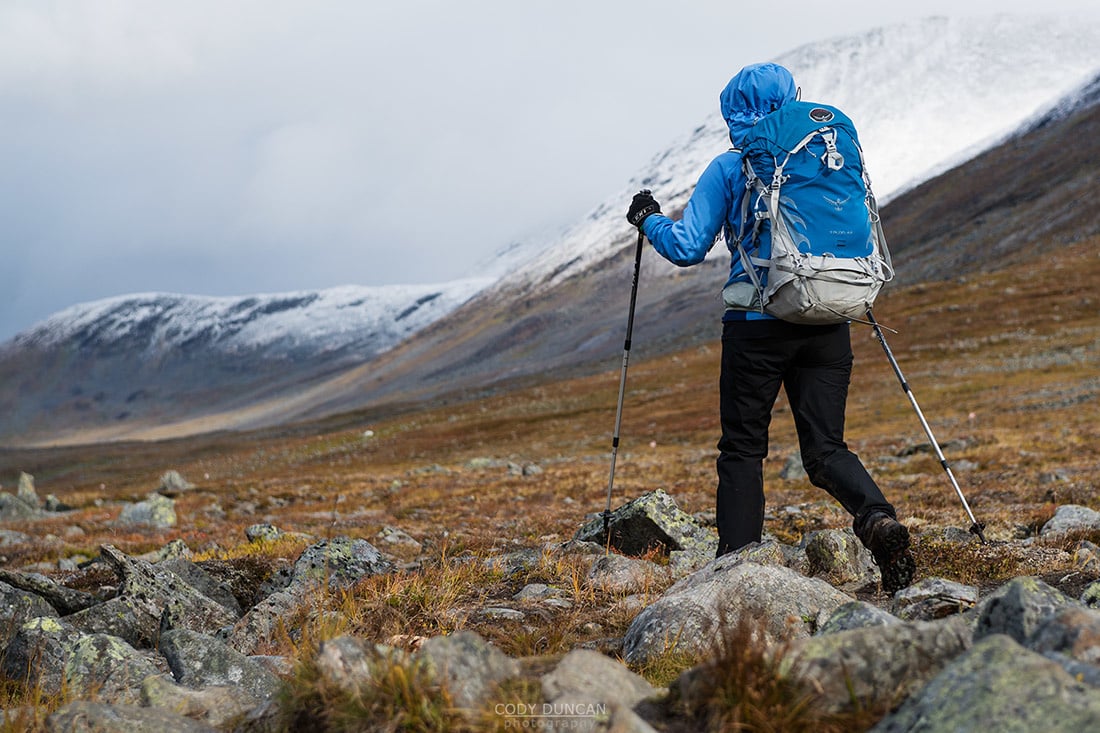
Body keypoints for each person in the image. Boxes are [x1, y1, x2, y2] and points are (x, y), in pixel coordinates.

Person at [625, 62, 916, 594]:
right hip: (829, 317)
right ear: (792, 99)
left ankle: (735, 572)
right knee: (827, 449)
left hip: (756, 326)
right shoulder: (826, 157)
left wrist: (648, 219)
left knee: (743, 449)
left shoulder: (731, 167)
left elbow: (687, 247)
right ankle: (878, 521)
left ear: (733, 113)